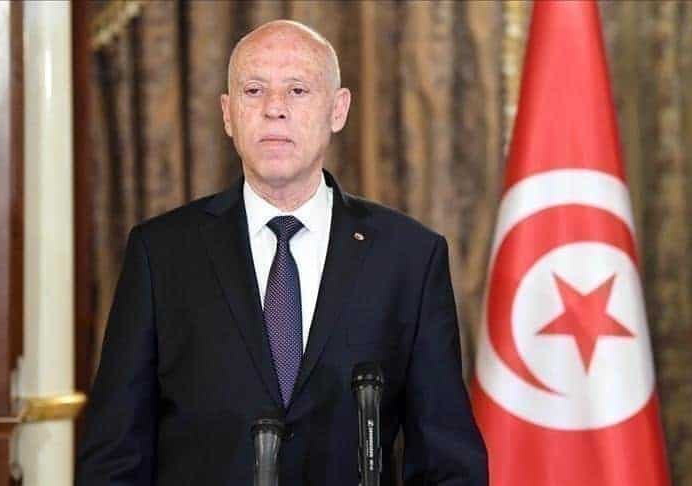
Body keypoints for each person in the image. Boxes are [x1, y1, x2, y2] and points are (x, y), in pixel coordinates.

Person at [76, 20, 487, 486]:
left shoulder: (408, 257)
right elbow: (114, 459)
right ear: (228, 114)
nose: (274, 109)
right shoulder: (161, 253)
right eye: (254, 90)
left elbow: (448, 464)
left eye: (297, 90)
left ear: (338, 109)